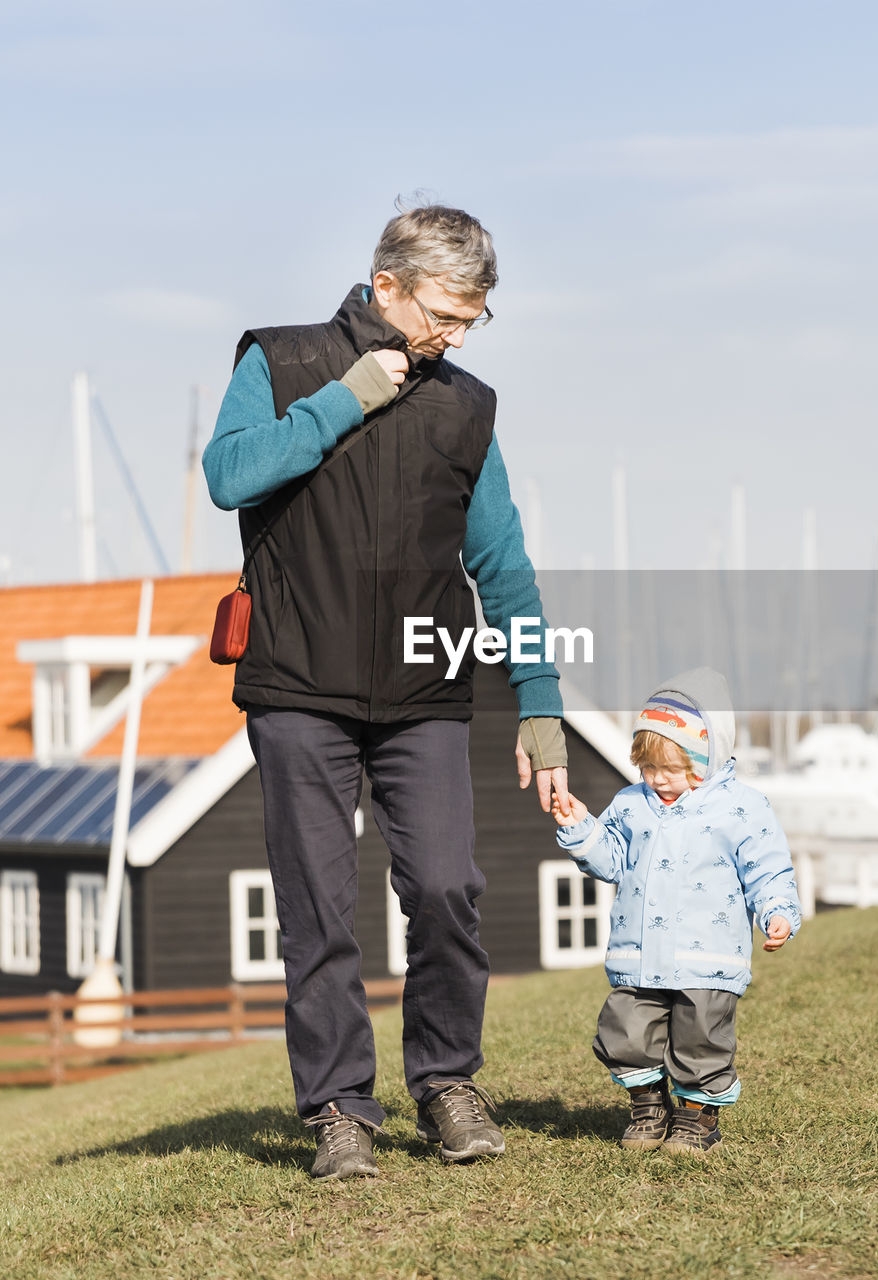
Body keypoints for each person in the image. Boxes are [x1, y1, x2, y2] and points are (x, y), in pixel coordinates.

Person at [202, 203, 570, 1181]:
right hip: (298, 686)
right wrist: (344, 399)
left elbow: (502, 559)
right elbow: (228, 475)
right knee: (318, 907)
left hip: (426, 689)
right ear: (389, 284)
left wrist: (539, 700)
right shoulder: (279, 361)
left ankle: (447, 1081)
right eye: (445, 313)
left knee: (448, 888)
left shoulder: (465, 405)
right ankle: (338, 1108)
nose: (453, 335)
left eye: (471, 320)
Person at [551, 667, 801, 1155]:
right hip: (638, 954)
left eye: (670, 769)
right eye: (647, 768)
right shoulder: (630, 804)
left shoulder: (741, 808)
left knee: (701, 1039)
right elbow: (612, 862)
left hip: (709, 957)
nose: (656, 780)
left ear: (708, 756)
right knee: (624, 1031)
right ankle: (648, 1105)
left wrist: (778, 911)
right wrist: (582, 829)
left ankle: (695, 1117)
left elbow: (768, 868)